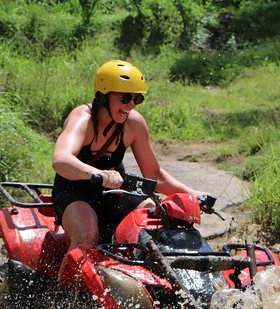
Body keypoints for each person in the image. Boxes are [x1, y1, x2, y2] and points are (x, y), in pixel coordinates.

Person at [52, 59, 208, 258]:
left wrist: (193, 194)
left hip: (114, 191)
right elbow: (61, 159)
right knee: (87, 237)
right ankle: (64, 290)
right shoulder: (83, 118)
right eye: (125, 98)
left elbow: (154, 174)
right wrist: (97, 174)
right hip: (73, 191)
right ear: (104, 95)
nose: (131, 105)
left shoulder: (134, 124)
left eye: (137, 99)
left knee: (161, 221)